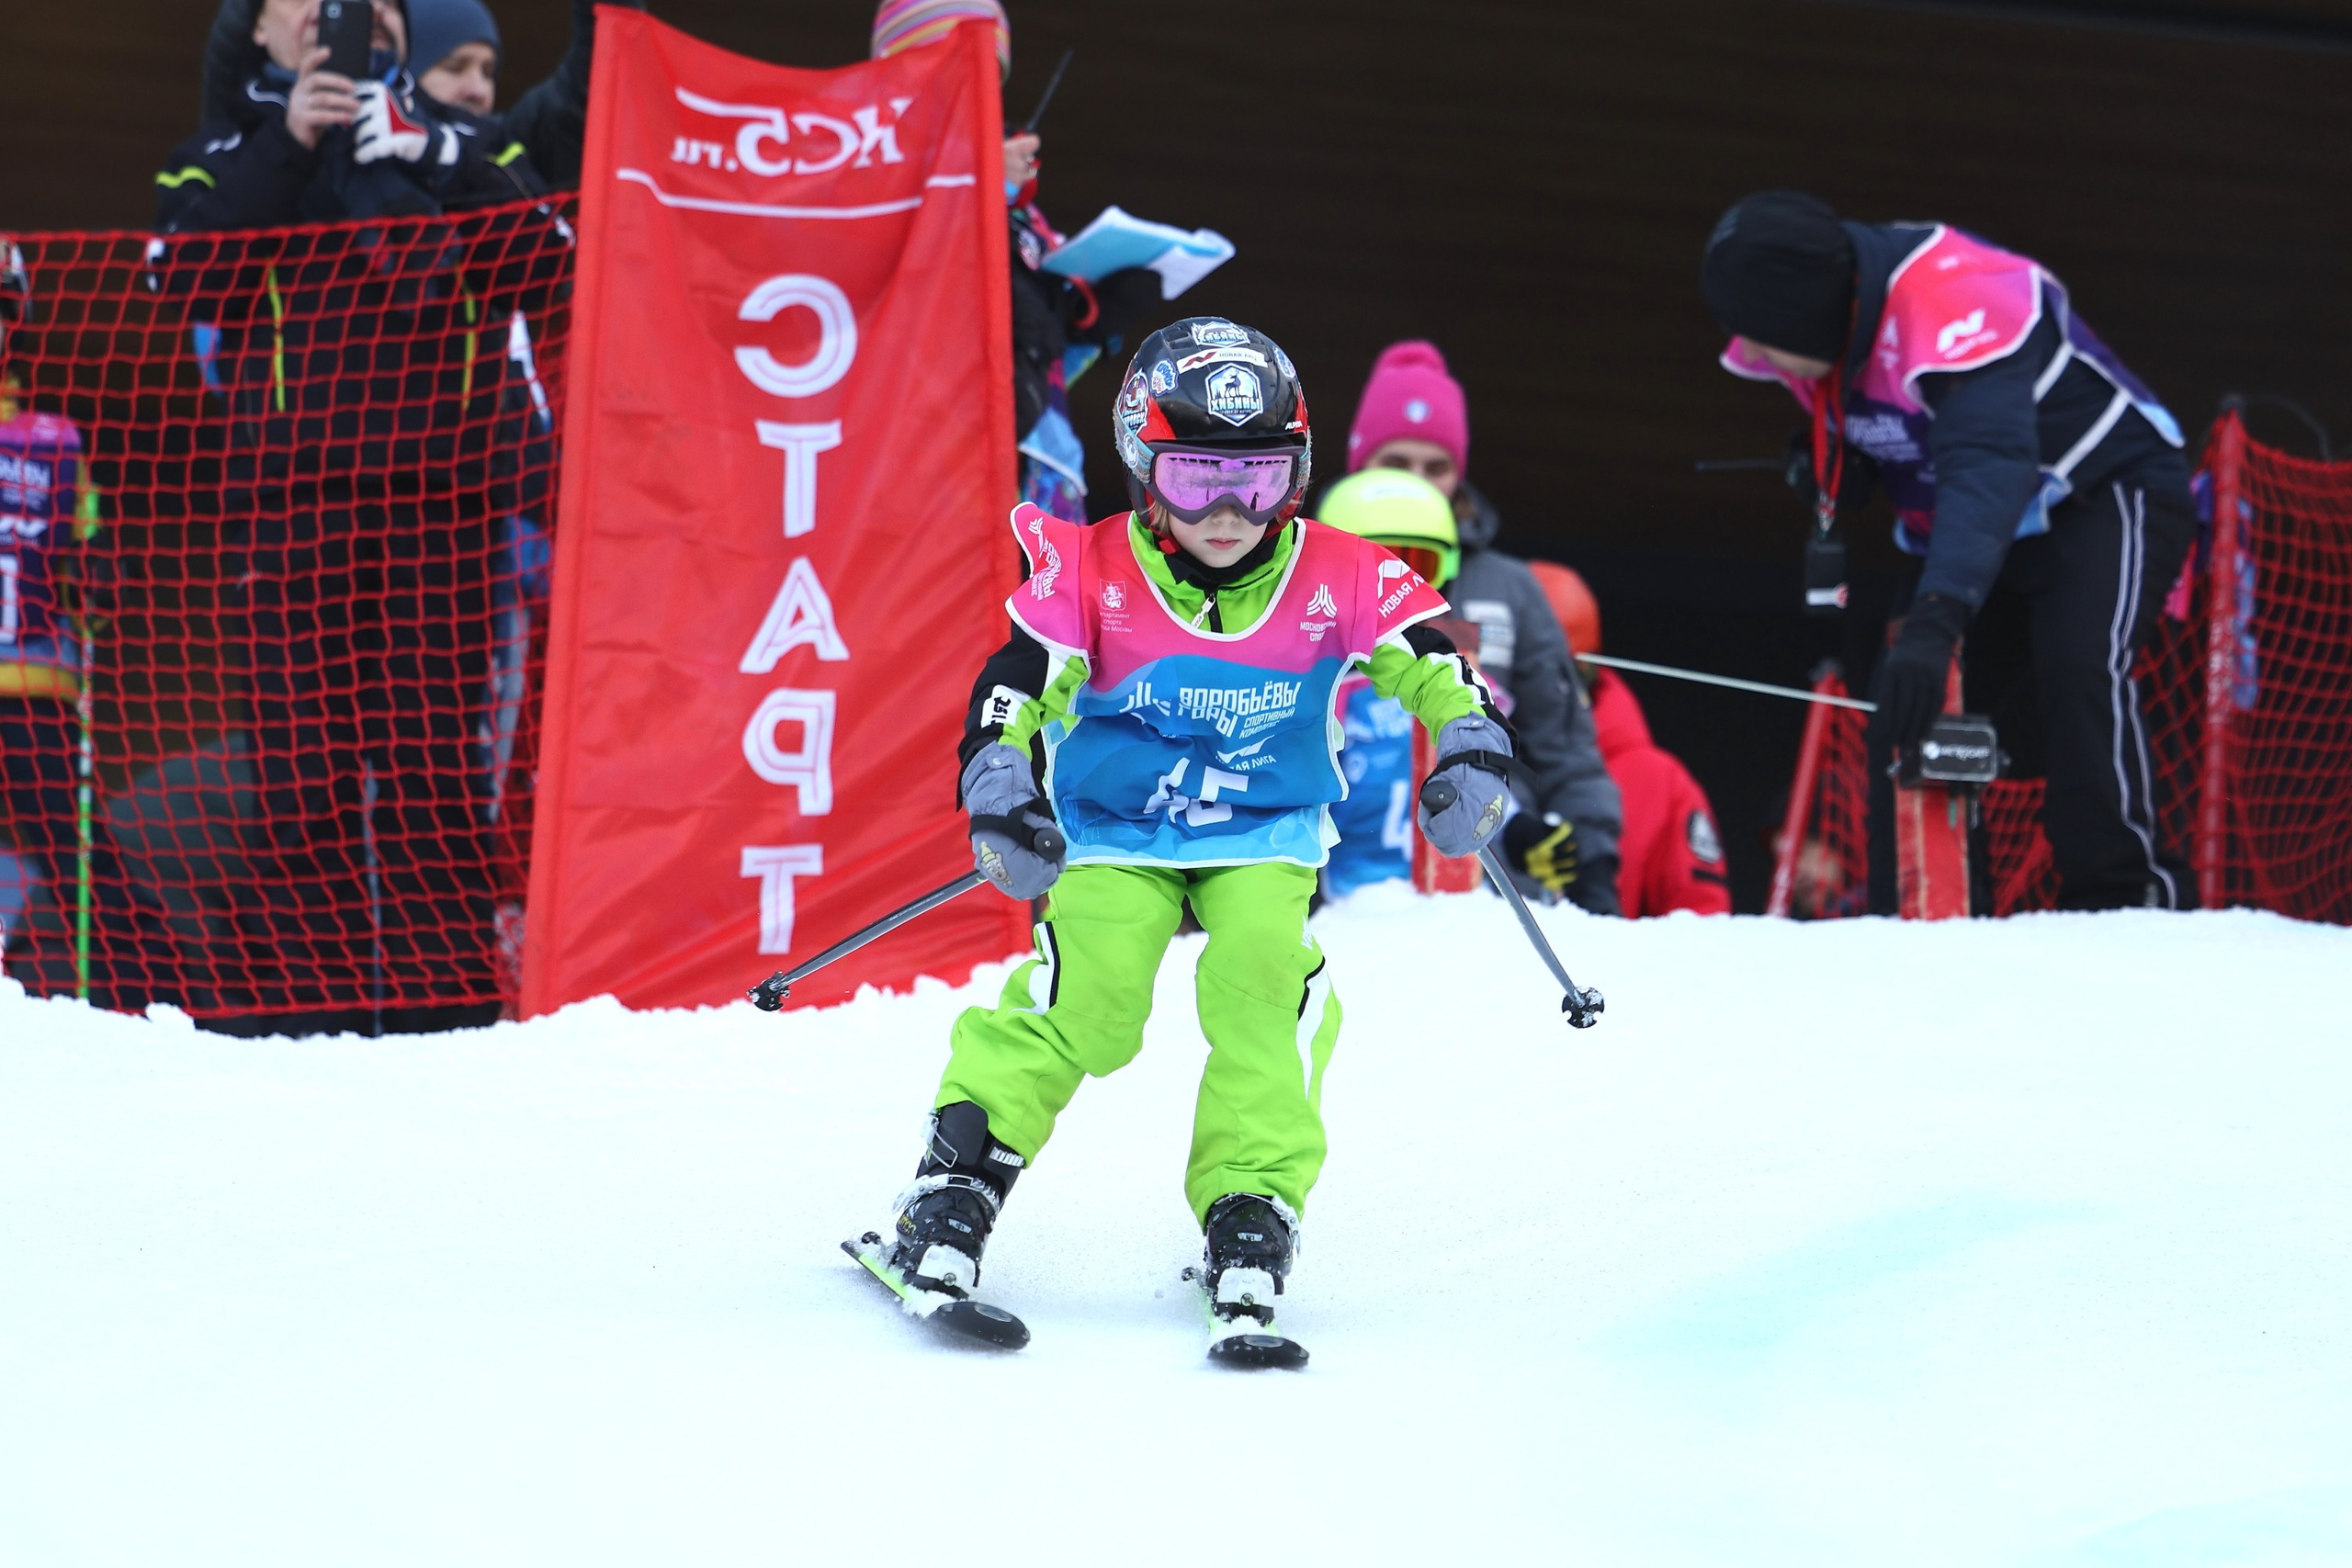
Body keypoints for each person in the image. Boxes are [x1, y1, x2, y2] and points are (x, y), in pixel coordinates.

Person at [870, 318, 1514, 1348]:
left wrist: (1472, 743)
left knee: (1264, 978)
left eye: (1258, 481)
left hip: (1263, 829)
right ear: (1141, 465)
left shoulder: (1335, 573)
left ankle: (1250, 1208)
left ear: (1296, 478)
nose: (1227, 510)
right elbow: (1018, 684)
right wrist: (999, 777)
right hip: (1118, 829)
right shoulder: (1094, 569)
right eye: (1197, 476)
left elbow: (1431, 660)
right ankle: (954, 1187)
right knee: (1095, 993)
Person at [152, 0, 582, 1029]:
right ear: (259, 34)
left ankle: (448, 1019)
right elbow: (185, 285)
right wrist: (292, 140)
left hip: (443, 516)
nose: (340, 14)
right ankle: (301, 1019)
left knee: (435, 775)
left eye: (373, 3)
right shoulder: (221, 146)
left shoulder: (467, 139)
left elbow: (555, 269)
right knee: (302, 772)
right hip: (289, 515)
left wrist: (439, 151)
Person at [1702, 190, 2195, 911]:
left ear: (1799, 310)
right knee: (1909, 704)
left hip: (2105, 490)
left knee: (2078, 662)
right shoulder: (1827, 326)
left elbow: (1988, 462)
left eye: (1760, 339)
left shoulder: (1952, 293)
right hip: (1990, 524)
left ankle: (2129, 897)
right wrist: (1845, 463)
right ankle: (1925, 909)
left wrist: (1939, 618)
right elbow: (1903, 425)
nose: (1753, 357)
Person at [1345, 340, 1623, 912]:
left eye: (1437, 467)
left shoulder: (1510, 589)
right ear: (1360, 467)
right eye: (1396, 464)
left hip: (1493, 888)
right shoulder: (1300, 576)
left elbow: (1563, 743)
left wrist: (1590, 866)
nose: (1418, 483)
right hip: (1343, 894)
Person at [872, 1, 1159, 519]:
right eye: (952, 66)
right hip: (930, 470)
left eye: (988, 73)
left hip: (1042, 466)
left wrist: (1088, 321)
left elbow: (1038, 360)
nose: (974, 89)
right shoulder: (873, 171)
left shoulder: (1026, 216)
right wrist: (979, 178)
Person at [0, 243, 185, 1007]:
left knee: (73, 849)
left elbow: (88, 532)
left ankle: (140, 1003)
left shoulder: (54, 438)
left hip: (33, 681)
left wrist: (101, 563)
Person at [1526, 560, 1732, 918]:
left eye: (1553, 674)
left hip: (1603, 972)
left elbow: (1701, 927)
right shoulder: (1449, 756)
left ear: (1586, 671)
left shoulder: (1658, 782)